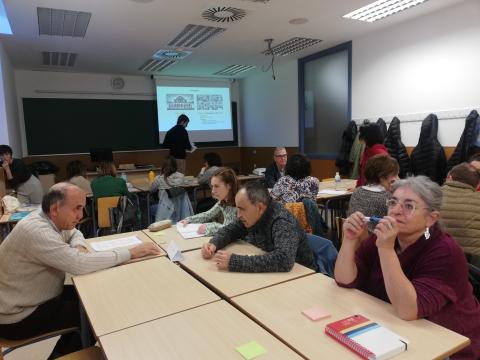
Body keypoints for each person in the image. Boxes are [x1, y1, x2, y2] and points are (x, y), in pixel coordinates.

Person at [0, 183, 161, 358]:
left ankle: (64, 352)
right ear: (55, 209)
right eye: (77, 208)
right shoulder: (37, 231)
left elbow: (74, 233)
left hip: (31, 300)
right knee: (96, 314)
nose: (81, 215)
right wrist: (130, 252)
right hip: (16, 317)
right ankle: (69, 355)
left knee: (93, 297)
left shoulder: (47, 217)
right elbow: (79, 265)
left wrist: (78, 246)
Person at [335, 176, 480, 359]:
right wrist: (349, 240)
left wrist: (386, 249)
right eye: (393, 202)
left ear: (431, 219)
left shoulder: (444, 251)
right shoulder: (386, 237)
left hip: (447, 344)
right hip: (392, 328)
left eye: (408, 206)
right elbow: (344, 279)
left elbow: (408, 310)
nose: (395, 210)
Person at [201, 181, 316, 272]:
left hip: (302, 277)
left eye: (242, 209)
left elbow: (283, 260)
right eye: (237, 208)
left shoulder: (282, 221)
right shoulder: (251, 214)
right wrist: (213, 244)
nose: (238, 215)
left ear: (260, 208)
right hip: (276, 275)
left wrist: (234, 261)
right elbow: (230, 230)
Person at [441, 162, 480, 267]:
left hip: (439, 256)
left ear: (450, 177)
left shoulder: (432, 196)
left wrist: (427, 239)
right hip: (475, 263)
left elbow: (425, 230)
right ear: (477, 185)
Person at [348, 155, 399, 231]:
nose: (398, 178)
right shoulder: (387, 198)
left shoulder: (357, 191)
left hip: (354, 237)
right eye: (395, 175)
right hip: (377, 240)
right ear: (382, 177)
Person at [181, 167, 238, 236]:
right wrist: (189, 220)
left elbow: (231, 230)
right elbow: (208, 215)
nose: (213, 191)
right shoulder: (223, 201)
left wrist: (209, 227)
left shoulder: (239, 204)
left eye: (216, 186)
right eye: (212, 186)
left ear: (229, 186)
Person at [356, 122, 389, 187]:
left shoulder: (380, 154)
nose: (363, 139)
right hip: (365, 189)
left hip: (375, 192)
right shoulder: (367, 150)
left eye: (364, 136)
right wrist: (358, 188)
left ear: (369, 136)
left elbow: (385, 179)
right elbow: (362, 174)